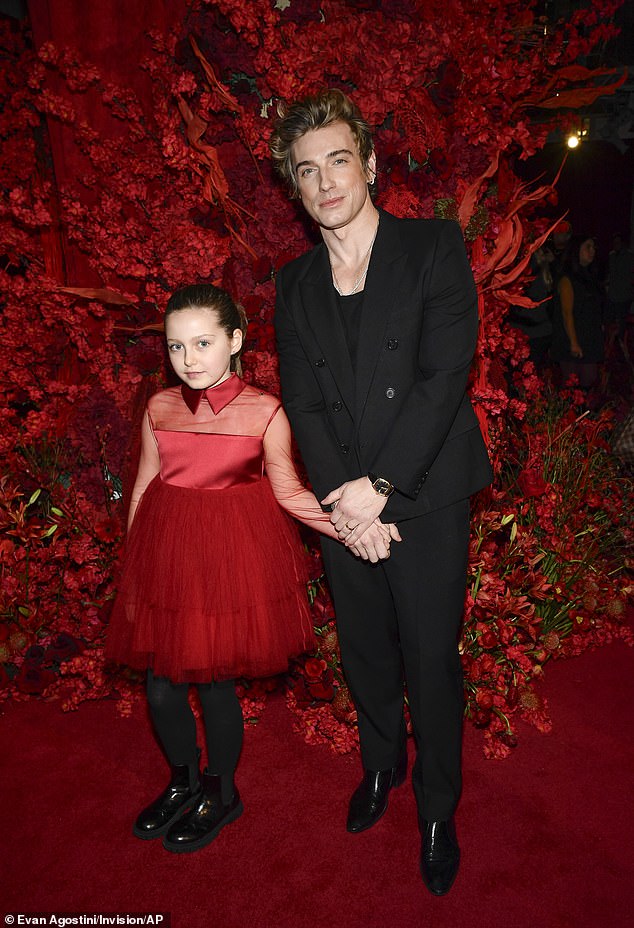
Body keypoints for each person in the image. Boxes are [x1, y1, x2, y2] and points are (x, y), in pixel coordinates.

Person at [270, 89, 492, 896]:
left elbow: (442, 379)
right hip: (344, 508)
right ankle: (379, 767)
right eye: (307, 171)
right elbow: (306, 401)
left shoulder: (432, 247)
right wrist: (344, 499)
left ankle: (438, 806)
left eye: (338, 160)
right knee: (364, 650)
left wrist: (383, 492)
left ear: (368, 164)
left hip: (423, 494)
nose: (326, 181)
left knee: (430, 658)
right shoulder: (292, 286)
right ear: (296, 190)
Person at [105, 284, 389, 854]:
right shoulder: (159, 407)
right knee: (160, 692)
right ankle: (182, 779)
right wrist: (135, 572)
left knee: (213, 687)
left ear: (234, 341)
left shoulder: (265, 411)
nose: (188, 359)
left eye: (203, 343)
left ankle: (220, 791)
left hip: (228, 567)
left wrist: (353, 526)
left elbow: (288, 492)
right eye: (176, 346)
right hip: (167, 562)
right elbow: (143, 486)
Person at [550, 234, 604, 395]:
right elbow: (566, 313)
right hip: (571, 338)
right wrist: (574, 342)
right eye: (588, 247)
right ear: (576, 250)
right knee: (573, 385)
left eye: (593, 247)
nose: (592, 251)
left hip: (589, 336)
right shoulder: (567, 279)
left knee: (588, 381)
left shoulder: (590, 277)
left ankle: (582, 416)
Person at [605, 232, 633, 342]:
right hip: (612, 295)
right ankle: (610, 343)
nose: (615, 244)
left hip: (624, 295)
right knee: (608, 320)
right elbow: (610, 273)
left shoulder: (629, 256)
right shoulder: (611, 255)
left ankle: (621, 345)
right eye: (614, 242)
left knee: (621, 323)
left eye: (618, 242)